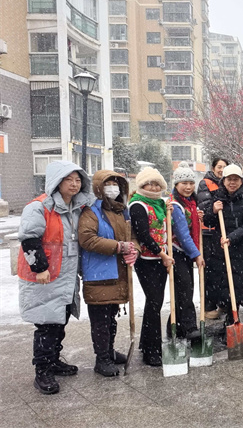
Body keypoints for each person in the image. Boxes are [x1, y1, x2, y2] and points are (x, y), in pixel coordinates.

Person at [18, 160, 90, 394]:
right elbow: (29, 239)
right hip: (45, 278)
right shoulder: (39, 207)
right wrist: (40, 267)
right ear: (57, 182)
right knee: (47, 325)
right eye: (69, 179)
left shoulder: (77, 208)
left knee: (60, 321)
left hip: (66, 277)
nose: (74, 184)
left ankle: (54, 360)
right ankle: (42, 370)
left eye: (78, 180)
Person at [79, 170, 138, 377]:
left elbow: (132, 236)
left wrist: (135, 250)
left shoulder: (122, 211)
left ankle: (109, 351)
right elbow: (87, 238)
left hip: (118, 274)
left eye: (116, 184)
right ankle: (101, 358)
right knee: (100, 321)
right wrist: (118, 247)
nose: (113, 188)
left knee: (111, 317)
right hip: (99, 275)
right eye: (108, 184)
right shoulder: (91, 212)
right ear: (99, 187)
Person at [129, 167, 174, 367]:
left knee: (155, 302)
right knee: (154, 302)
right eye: (150, 184)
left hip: (160, 259)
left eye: (157, 184)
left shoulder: (160, 204)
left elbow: (163, 228)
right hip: (147, 260)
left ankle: (147, 342)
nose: (154, 187)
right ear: (141, 185)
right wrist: (162, 254)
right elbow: (143, 235)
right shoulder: (138, 205)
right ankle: (152, 351)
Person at [203, 165, 243, 331]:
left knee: (238, 282)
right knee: (221, 282)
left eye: (236, 179)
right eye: (229, 179)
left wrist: (232, 238)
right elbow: (208, 222)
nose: (232, 182)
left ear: (241, 181)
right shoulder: (217, 198)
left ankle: (234, 316)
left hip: (239, 248)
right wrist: (213, 210)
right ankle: (227, 312)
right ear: (223, 181)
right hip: (219, 248)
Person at [166, 162, 205, 340]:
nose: (188, 187)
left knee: (183, 291)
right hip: (177, 253)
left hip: (186, 252)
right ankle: (189, 328)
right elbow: (182, 235)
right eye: (184, 183)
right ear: (176, 185)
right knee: (185, 289)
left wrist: (197, 216)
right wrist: (197, 255)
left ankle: (174, 327)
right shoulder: (175, 206)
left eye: (191, 183)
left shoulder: (191, 203)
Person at [197, 157, 229, 319]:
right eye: (219, 167)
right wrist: (214, 208)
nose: (221, 170)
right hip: (208, 231)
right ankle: (208, 305)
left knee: (223, 269)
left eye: (224, 167)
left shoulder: (228, 183)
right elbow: (204, 205)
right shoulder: (206, 183)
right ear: (213, 168)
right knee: (210, 270)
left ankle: (223, 302)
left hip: (223, 231)